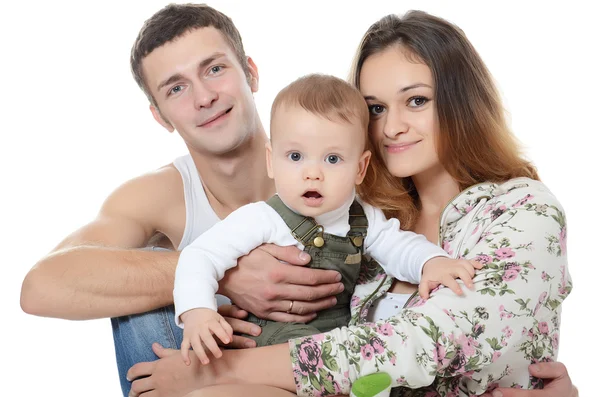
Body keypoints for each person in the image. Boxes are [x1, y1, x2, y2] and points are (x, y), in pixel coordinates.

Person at [19, 4, 576, 397]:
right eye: (176, 87)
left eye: (214, 69)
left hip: (335, 376)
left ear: (251, 72)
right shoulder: (166, 193)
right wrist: (222, 276)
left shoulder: (366, 200)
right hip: (307, 376)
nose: (205, 95)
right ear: (159, 114)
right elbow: (41, 286)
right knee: (142, 311)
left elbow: (439, 336)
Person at [175, 74, 481, 365]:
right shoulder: (262, 219)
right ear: (271, 160)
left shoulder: (362, 218)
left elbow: (399, 246)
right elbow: (200, 256)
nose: (312, 173)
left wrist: (432, 263)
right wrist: (198, 311)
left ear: (360, 168)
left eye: (332, 159)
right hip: (266, 349)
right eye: (295, 156)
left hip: (331, 352)